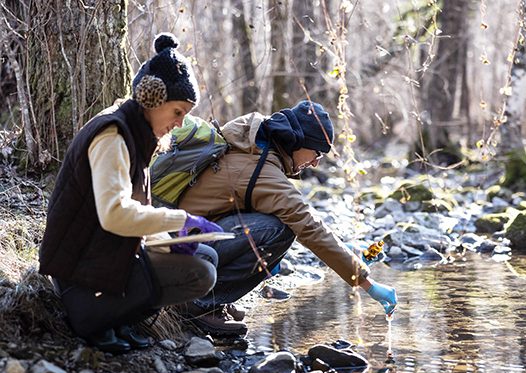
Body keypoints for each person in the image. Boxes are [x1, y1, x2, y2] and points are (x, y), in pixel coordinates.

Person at [38, 33, 223, 354]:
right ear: (152, 98)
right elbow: (115, 215)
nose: (180, 124)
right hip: (78, 270)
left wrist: (174, 239)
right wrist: (179, 219)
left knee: (206, 255)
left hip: (103, 253)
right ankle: (95, 317)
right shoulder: (113, 136)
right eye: (177, 112)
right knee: (201, 273)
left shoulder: (137, 135)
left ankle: (119, 316)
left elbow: (132, 215)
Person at [175, 100, 398, 336]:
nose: (315, 162)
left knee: (276, 234)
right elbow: (307, 224)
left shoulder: (255, 146)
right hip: (182, 251)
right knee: (279, 231)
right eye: (316, 153)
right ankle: (197, 303)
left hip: (186, 240)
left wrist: (347, 249)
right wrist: (367, 284)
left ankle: (213, 299)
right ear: (297, 142)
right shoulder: (259, 168)